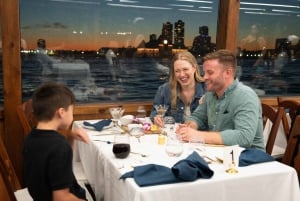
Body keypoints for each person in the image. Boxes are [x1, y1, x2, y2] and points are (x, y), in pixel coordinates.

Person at [176, 49, 265, 150]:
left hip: (249, 159)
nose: (204, 77)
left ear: (227, 73)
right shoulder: (210, 94)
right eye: (204, 73)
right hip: (220, 153)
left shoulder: (246, 96)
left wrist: (197, 135)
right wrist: (190, 127)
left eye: (210, 73)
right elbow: (198, 117)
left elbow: (244, 138)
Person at [23, 82, 90, 201]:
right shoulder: (59, 146)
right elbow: (61, 198)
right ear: (61, 112)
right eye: (72, 111)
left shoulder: (31, 138)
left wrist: (71, 137)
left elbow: (56, 163)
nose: (72, 115)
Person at [150, 51, 205, 126]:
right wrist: (156, 118)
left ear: (194, 68)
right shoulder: (164, 89)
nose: (182, 75)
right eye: (177, 71)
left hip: (200, 136)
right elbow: (154, 112)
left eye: (185, 69)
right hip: (173, 135)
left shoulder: (208, 90)